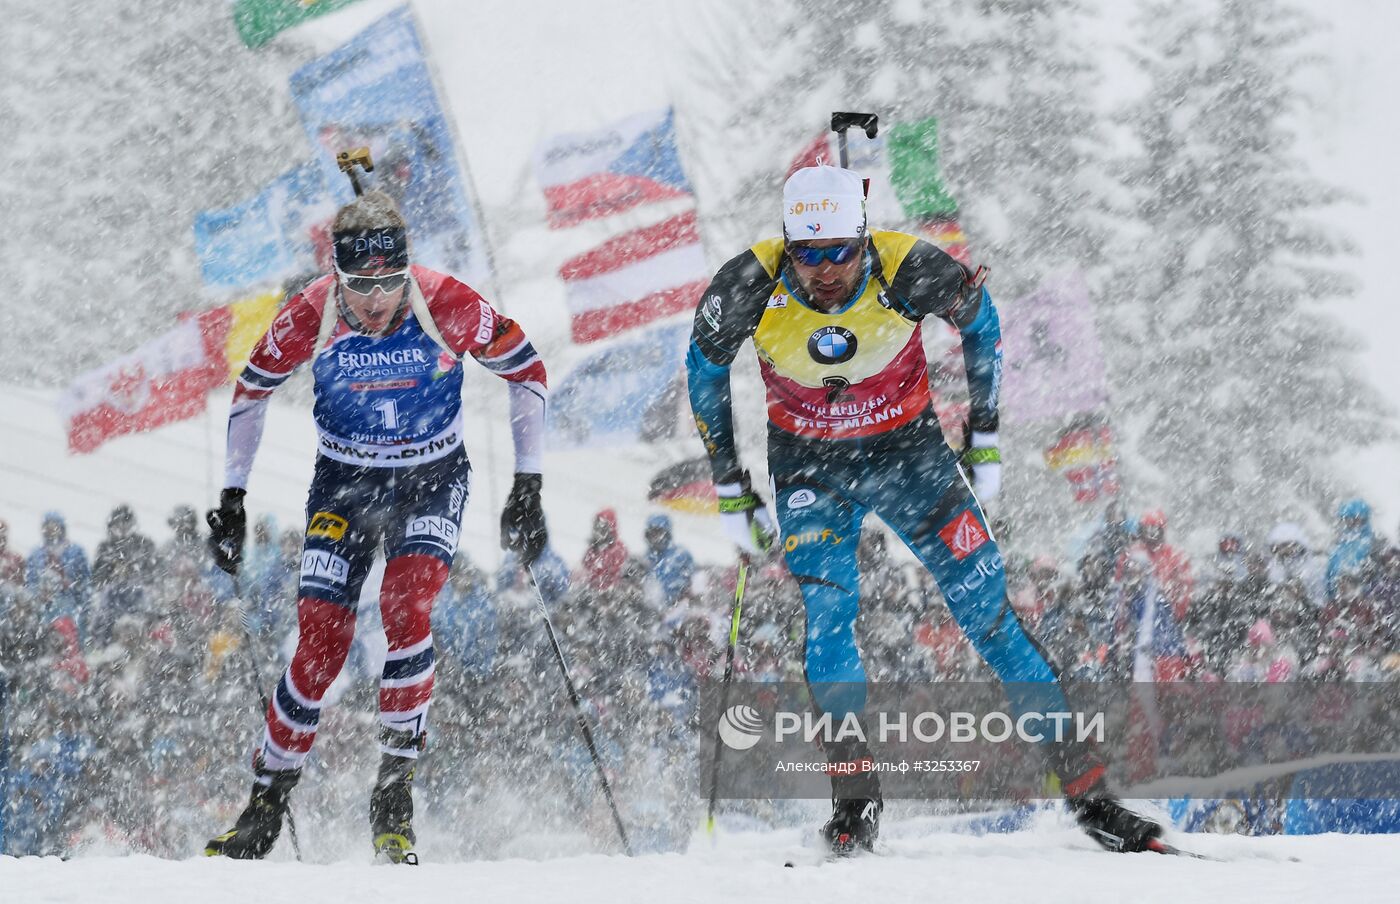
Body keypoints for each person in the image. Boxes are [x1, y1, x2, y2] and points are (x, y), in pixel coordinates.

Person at [685, 164, 1161, 854]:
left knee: (989, 613)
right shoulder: (746, 286)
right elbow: (704, 371)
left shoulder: (908, 265)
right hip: (810, 468)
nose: (822, 271)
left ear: (863, 235)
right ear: (787, 244)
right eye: (806, 254)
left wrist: (986, 433)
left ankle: (1089, 796)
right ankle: (855, 800)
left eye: (839, 252)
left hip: (910, 459)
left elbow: (983, 322)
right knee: (827, 623)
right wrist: (730, 482)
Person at [202, 190, 549, 863]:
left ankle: (394, 794)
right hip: (345, 483)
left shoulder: (445, 300)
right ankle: (264, 805)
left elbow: (528, 371)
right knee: (320, 646)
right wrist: (232, 499)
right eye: (362, 284)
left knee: (406, 608)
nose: (378, 300)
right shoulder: (311, 311)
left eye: (391, 281)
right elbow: (250, 391)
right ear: (338, 276)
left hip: (430, 479)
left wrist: (528, 486)